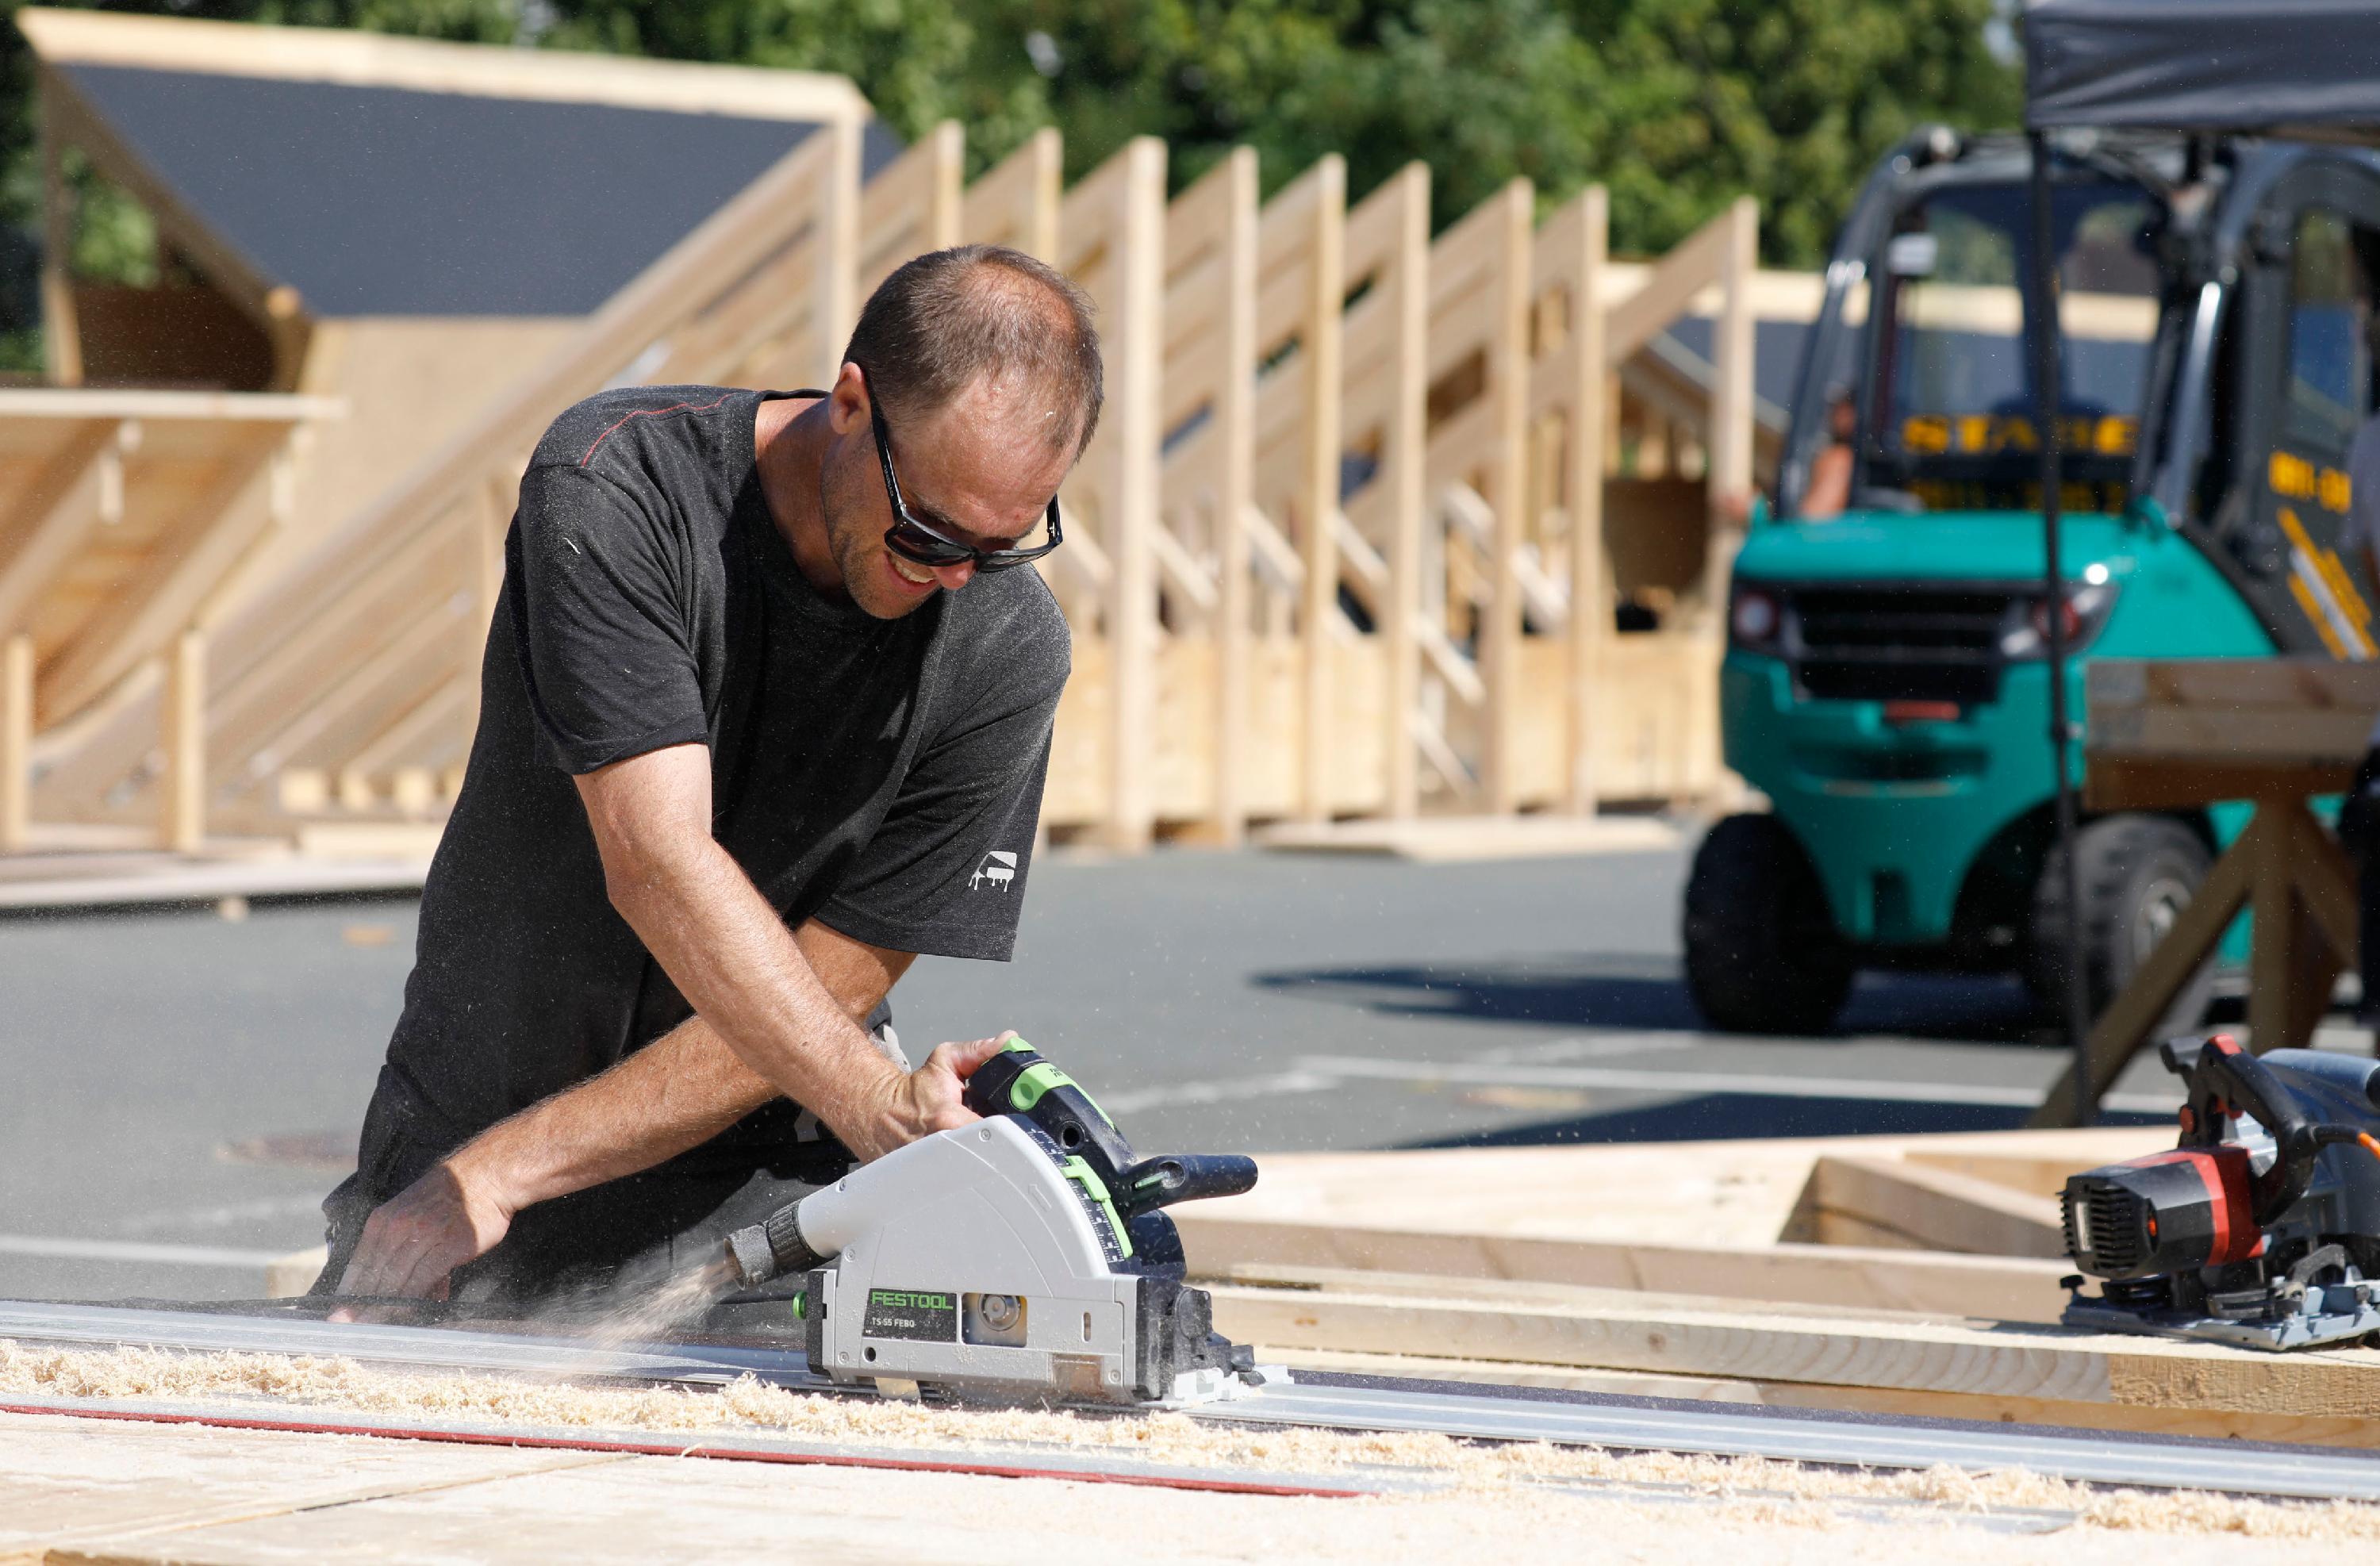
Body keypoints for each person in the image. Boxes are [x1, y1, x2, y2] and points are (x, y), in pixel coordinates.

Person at [315, 244, 1095, 1307]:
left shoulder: (1005, 649)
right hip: (466, 1140)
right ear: (853, 401)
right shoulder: (620, 486)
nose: (955, 575)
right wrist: (873, 1098)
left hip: (752, 1195)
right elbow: (657, 860)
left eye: (1003, 544)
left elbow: (826, 994)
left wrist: (518, 1164)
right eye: (928, 529)